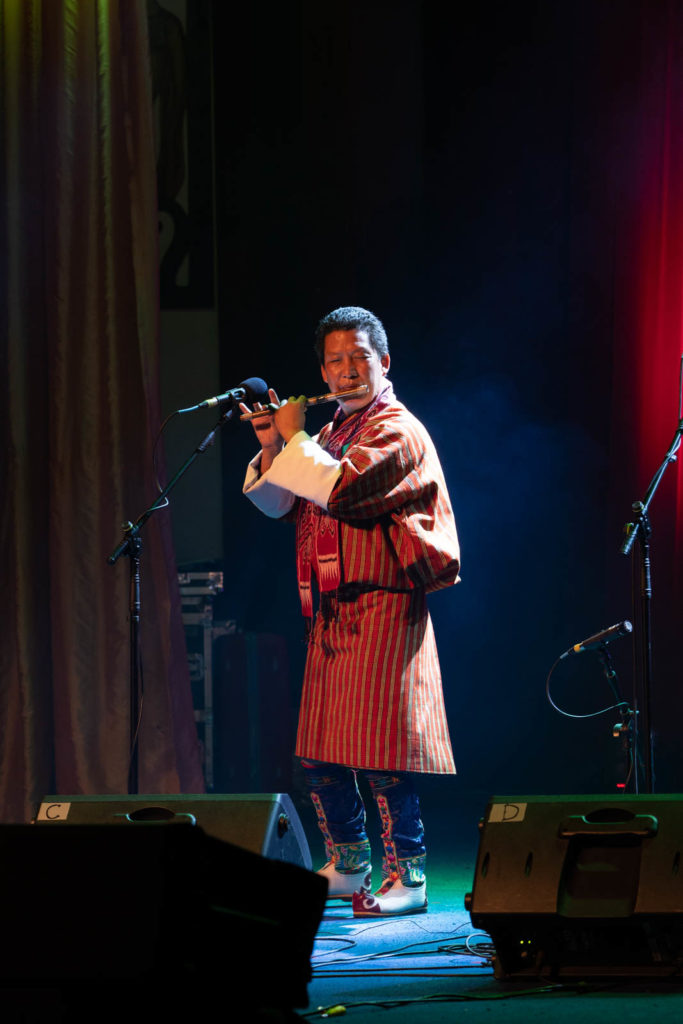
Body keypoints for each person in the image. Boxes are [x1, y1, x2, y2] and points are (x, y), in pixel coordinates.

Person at [241, 306, 460, 916]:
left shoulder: (396, 427)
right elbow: (284, 503)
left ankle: (409, 879)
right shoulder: (334, 431)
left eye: (359, 357)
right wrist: (271, 439)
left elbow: (340, 489)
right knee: (319, 750)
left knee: (379, 750)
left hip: (384, 602)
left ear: (384, 362)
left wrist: (294, 437)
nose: (345, 371)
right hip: (333, 609)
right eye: (334, 360)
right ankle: (349, 861)